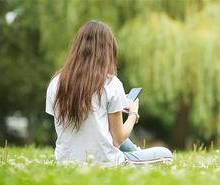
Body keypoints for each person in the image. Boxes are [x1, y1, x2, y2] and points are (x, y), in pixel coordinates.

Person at [45, 20, 173, 166]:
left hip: (65, 161)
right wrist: (133, 114)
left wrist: (113, 107)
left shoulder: (56, 82)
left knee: (110, 131)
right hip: (105, 162)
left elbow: (84, 123)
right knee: (166, 154)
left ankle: (136, 152)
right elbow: (118, 139)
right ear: (108, 51)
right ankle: (136, 155)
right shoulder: (111, 83)